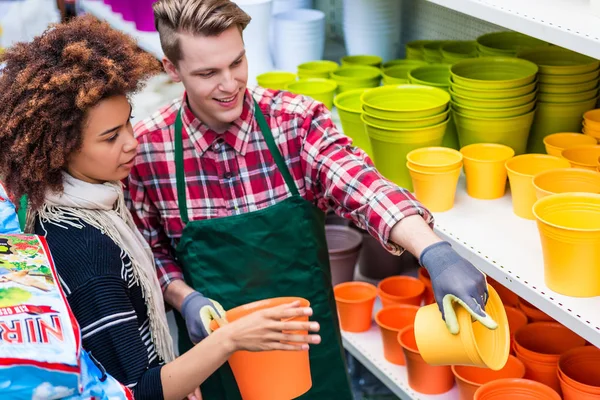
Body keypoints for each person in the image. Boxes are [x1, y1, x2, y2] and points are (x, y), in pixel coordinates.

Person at [127, 0, 497, 398]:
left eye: (237, 62)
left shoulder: (295, 123)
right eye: (207, 73)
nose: (230, 83)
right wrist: (185, 299)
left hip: (309, 356)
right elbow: (152, 249)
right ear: (171, 69)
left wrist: (434, 252)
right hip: (220, 365)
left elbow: (363, 185)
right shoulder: (148, 148)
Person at [0, 15, 320, 400]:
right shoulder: (89, 256)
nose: (132, 142)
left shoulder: (93, 203)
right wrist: (230, 340)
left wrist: (181, 370)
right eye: (110, 137)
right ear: (60, 149)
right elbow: (140, 391)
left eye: (128, 123)